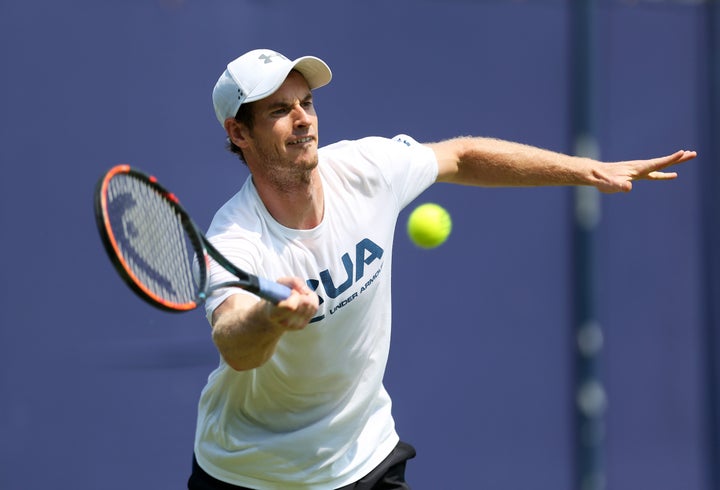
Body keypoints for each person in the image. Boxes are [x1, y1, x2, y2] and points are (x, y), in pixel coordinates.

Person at [187, 48, 696, 490]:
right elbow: (233, 341)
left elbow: (462, 156)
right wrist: (270, 319)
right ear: (240, 132)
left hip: (363, 455)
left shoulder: (367, 169)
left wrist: (589, 170)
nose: (304, 119)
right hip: (251, 475)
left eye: (308, 103)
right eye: (280, 110)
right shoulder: (235, 238)